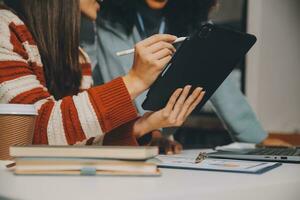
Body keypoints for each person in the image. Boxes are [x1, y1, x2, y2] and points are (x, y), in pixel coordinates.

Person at [81, 0, 291, 148]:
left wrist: (256, 139)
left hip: (156, 136)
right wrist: (151, 132)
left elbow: (219, 80)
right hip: (113, 136)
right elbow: (126, 80)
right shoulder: (107, 18)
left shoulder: (192, 21)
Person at [0, 0, 205, 148]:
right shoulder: (4, 28)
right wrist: (134, 81)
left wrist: (147, 124)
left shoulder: (78, 57)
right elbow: (31, 130)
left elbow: (75, 142)